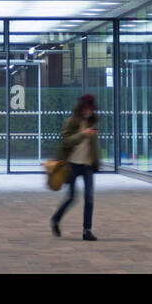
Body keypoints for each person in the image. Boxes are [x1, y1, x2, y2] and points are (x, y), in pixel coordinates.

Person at [51, 94, 99, 241]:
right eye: (86, 109)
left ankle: (87, 230)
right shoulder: (71, 122)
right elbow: (66, 141)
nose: (88, 112)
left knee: (89, 198)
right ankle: (56, 219)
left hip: (87, 165)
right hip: (71, 164)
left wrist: (96, 161)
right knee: (72, 197)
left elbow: (94, 146)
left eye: (91, 109)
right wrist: (83, 134)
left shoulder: (94, 123)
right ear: (81, 108)